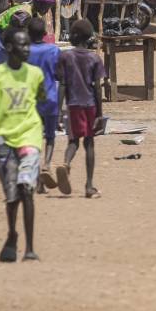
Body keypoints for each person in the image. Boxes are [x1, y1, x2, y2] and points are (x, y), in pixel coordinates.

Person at [0, 27, 44, 262]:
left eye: (28, 44)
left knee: (26, 189)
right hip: (4, 139)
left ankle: (30, 248)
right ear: (8, 48)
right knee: (12, 195)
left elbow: (40, 100)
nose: (27, 49)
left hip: (30, 137)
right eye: (22, 45)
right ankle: (12, 234)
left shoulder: (36, 74)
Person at [56, 19, 105, 199]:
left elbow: (61, 84)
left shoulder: (65, 57)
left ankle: (66, 163)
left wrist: (58, 111)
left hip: (73, 105)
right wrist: (100, 114)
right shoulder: (94, 58)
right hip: (90, 105)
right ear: (89, 37)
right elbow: (98, 88)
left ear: (73, 37)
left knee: (74, 141)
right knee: (89, 143)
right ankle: (89, 186)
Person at [24, 17, 62, 194]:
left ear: (28, 34)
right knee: (50, 136)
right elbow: (59, 76)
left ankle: (37, 175)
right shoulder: (54, 50)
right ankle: (47, 163)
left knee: (33, 139)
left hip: (31, 100)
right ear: (45, 34)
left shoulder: (24, 52)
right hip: (51, 98)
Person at [0, 0, 55, 70]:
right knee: (0, 69)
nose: (47, 10)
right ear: (39, 3)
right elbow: (13, 35)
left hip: (1, 35)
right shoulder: (25, 14)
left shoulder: (29, 10)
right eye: (46, 6)